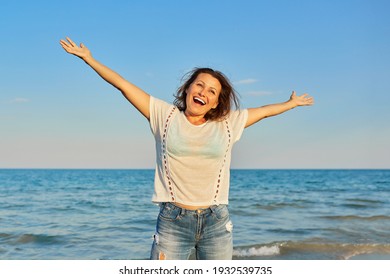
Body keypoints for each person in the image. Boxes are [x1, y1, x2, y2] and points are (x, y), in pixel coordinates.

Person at [60, 37, 314, 260]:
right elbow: (123, 85)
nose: (204, 92)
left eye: (212, 91)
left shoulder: (228, 124)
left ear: (215, 103)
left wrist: (290, 103)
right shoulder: (164, 115)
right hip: (173, 220)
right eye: (200, 85)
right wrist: (89, 59)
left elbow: (264, 112)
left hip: (216, 221)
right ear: (188, 88)